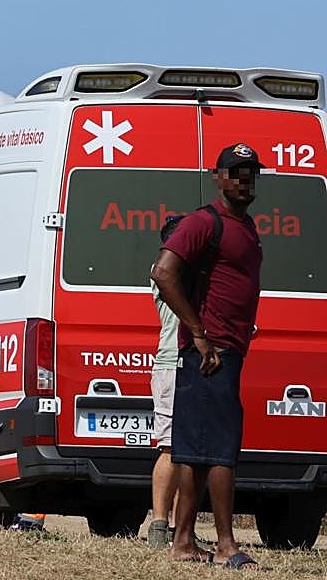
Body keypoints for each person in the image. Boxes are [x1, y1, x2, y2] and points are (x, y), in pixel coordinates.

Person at [151, 143, 264, 570]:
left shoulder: (246, 226)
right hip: (209, 352)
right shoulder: (203, 222)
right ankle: (226, 544)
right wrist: (199, 334)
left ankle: (183, 541)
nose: (244, 180)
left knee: (197, 451)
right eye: (235, 172)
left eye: (250, 172)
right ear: (218, 177)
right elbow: (163, 272)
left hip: (228, 348)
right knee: (219, 449)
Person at [146, 275, 180, 548]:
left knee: (190, 454)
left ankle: (181, 528)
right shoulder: (166, 270)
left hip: (195, 364)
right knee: (170, 448)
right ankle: (159, 525)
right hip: (172, 363)